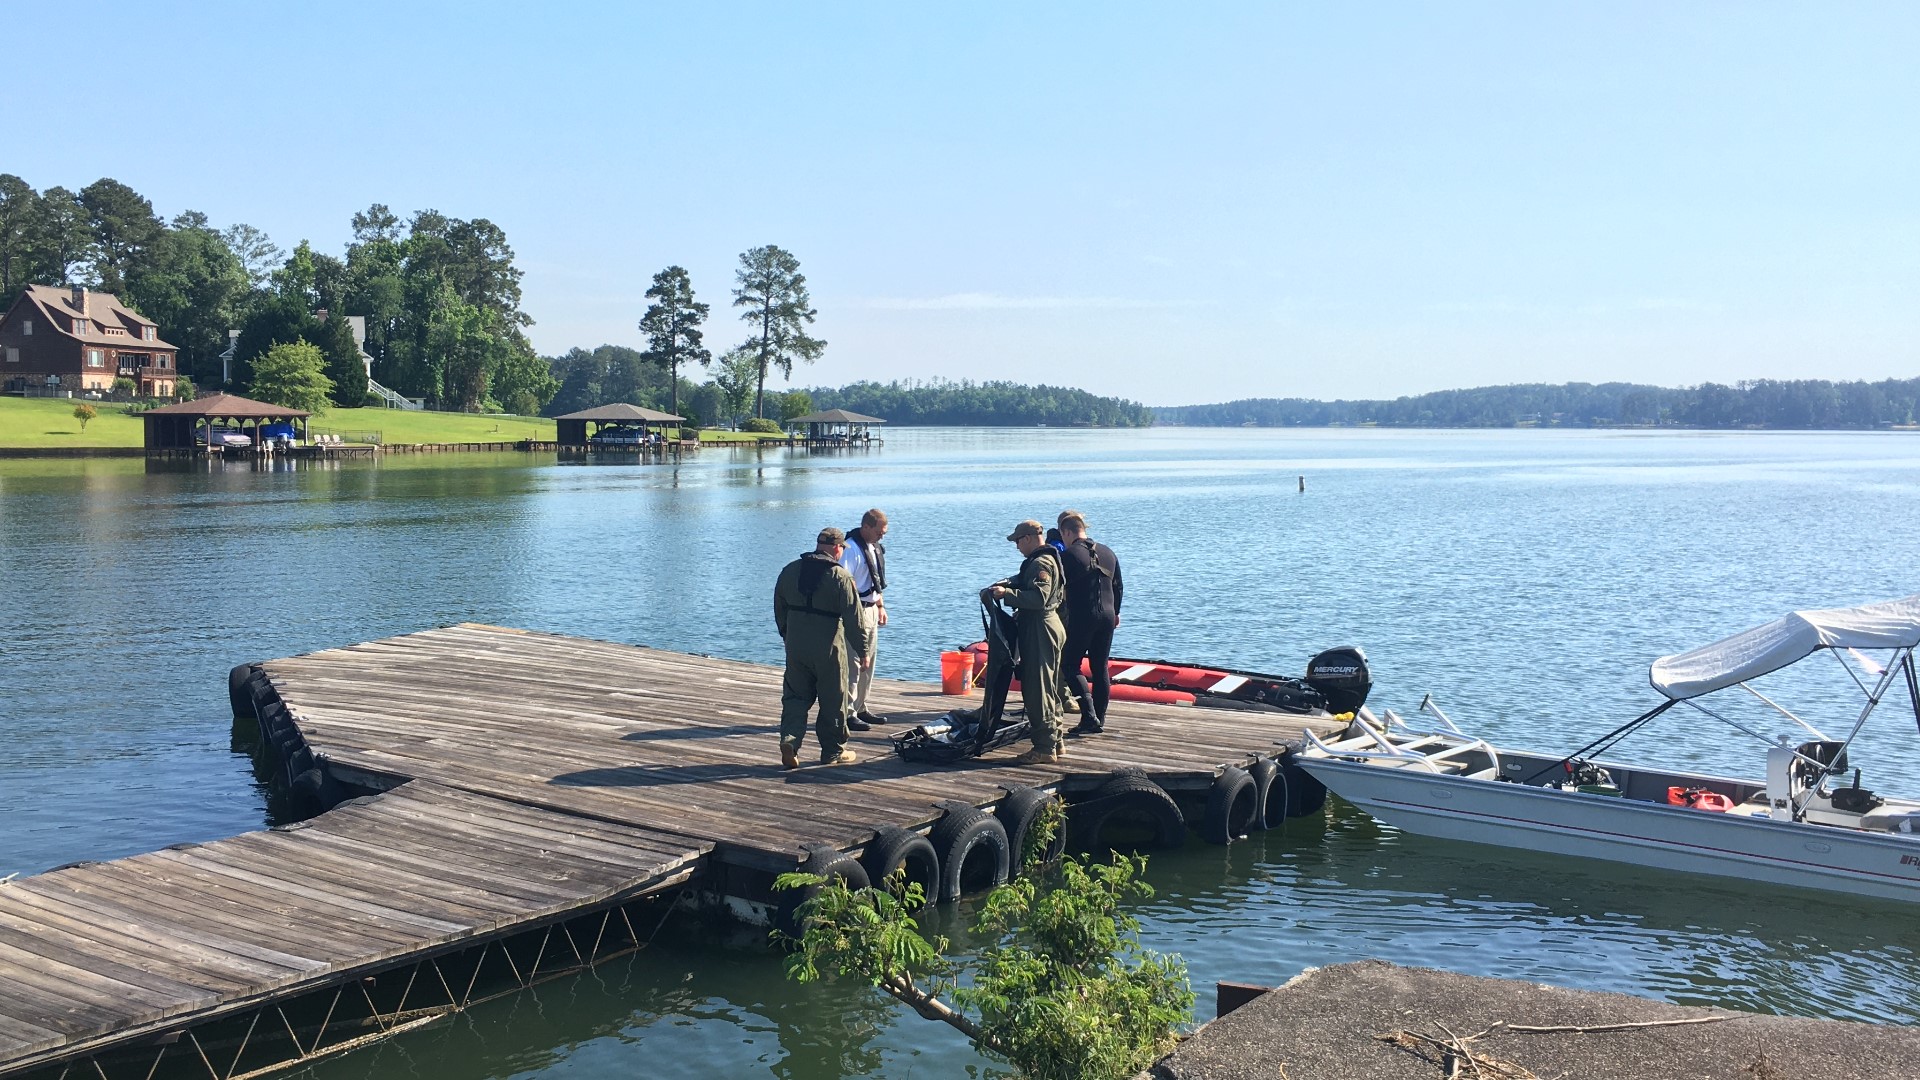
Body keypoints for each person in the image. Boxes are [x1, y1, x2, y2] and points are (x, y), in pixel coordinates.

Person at [773, 527, 869, 769]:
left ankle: (790, 742)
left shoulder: (790, 570)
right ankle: (833, 751)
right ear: (837, 548)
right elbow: (854, 619)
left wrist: (786, 633)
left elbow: (779, 606)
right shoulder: (841, 576)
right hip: (828, 646)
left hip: (796, 645)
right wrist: (863, 651)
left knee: (795, 697)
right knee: (833, 699)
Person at [984, 519, 1068, 765]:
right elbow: (1026, 579)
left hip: (1039, 627)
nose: (1017, 547)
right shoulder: (1048, 559)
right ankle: (1056, 741)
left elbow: (1039, 597)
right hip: (1049, 625)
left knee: (1037, 689)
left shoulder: (1041, 562)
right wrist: (1009, 583)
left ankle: (1043, 747)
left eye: (1018, 541)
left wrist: (1006, 594)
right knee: (1050, 688)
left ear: (1029, 538)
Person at [1056, 510, 1124, 735]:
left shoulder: (1068, 555)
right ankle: (1100, 719)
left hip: (1084, 615)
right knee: (1100, 666)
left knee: (1069, 665)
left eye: (1062, 535)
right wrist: (1116, 613)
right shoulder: (1108, 552)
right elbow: (1118, 586)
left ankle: (1089, 716)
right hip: (1107, 615)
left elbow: (1057, 587)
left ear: (1067, 532)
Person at [839, 508, 890, 729]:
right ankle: (848, 711)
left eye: (884, 532)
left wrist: (880, 605)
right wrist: (851, 615)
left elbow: (876, 579)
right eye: (879, 531)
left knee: (869, 662)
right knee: (854, 662)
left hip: (871, 608)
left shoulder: (874, 547)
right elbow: (842, 582)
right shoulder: (851, 549)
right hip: (855, 610)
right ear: (866, 527)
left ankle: (861, 706)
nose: (882, 535)